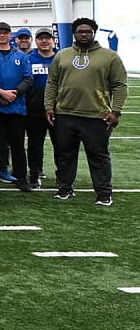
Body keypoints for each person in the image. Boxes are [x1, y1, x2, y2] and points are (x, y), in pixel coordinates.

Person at [44, 17, 128, 206]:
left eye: (87, 31)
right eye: (80, 31)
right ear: (74, 34)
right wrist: (49, 106)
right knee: (65, 155)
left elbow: (120, 85)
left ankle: (104, 194)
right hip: (65, 114)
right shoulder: (62, 55)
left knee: (98, 156)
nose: (84, 34)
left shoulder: (109, 57)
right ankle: (65, 189)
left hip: (96, 116)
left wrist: (116, 111)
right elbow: (52, 83)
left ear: (94, 33)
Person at [0, 22, 33, 189]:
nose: (2, 35)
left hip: (16, 107)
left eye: (5, 32)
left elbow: (28, 79)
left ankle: (21, 177)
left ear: (10, 35)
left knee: (18, 145)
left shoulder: (21, 56)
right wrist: (1, 93)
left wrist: (14, 93)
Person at [25, 27, 57, 189]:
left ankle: (63, 175)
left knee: (61, 145)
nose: (44, 41)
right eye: (41, 38)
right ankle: (35, 174)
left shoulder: (61, 58)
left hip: (58, 111)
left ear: (53, 40)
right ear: (36, 40)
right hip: (34, 110)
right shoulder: (28, 59)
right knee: (34, 145)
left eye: (47, 38)